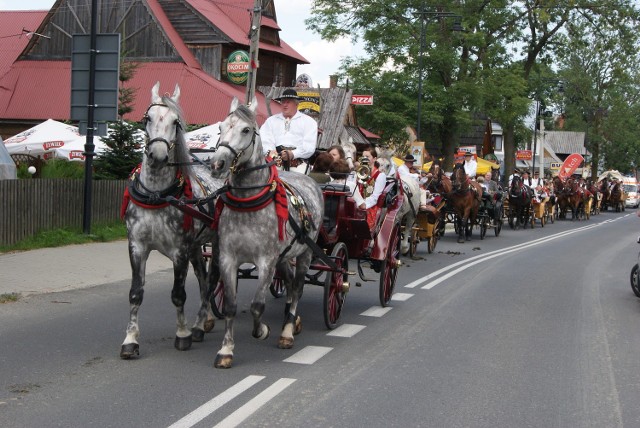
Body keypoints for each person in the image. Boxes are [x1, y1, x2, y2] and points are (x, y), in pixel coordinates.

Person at [260, 88, 318, 174]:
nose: (285, 105)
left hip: (298, 164)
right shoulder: (271, 121)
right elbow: (264, 139)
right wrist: (271, 151)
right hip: (274, 161)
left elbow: (309, 147)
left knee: (297, 183)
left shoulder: (309, 122)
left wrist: (293, 154)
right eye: (283, 102)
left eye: (288, 102)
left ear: (296, 104)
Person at [358, 147, 387, 230]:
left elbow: (375, 197)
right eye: (363, 156)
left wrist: (362, 205)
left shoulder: (380, 176)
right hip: (356, 204)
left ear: (374, 159)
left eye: (367, 157)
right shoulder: (357, 173)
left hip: (369, 206)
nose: (364, 159)